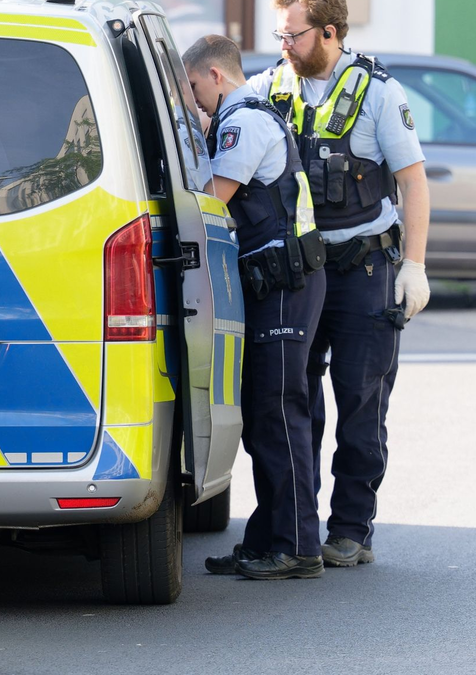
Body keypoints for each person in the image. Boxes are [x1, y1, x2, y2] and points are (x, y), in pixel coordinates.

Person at [249, 0, 430, 567]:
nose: (283, 43)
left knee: (360, 401)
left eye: (293, 34)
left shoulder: (379, 93)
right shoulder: (270, 86)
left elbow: (414, 183)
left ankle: (351, 527)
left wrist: (416, 266)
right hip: (298, 273)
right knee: (292, 398)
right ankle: (296, 527)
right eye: (278, 33)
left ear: (328, 32)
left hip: (363, 271)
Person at [186, 35, 328, 580]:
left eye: (196, 87)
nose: (197, 99)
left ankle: (298, 547)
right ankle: (267, 538)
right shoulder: (243, 115)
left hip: (286, 283)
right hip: (275, 283)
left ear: (215, 76)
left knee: (279, 412)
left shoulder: (242, 120)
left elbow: (210, 199)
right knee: (262, 417)